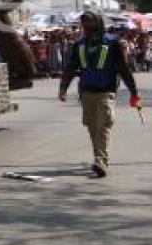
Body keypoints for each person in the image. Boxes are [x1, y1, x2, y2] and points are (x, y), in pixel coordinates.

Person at [59, 11, 141, 177]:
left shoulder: (113, 43)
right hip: (86, 93)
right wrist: (63, 88)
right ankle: (99, 157)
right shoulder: (80, 44)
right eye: (84, 23)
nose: (86, 26)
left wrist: (133, 91)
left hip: (106, 93)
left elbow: (123, 69)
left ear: (98, 24)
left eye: (89, 22)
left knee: (102, 126)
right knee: (92, 127)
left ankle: (101, 160)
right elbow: (71, 67)